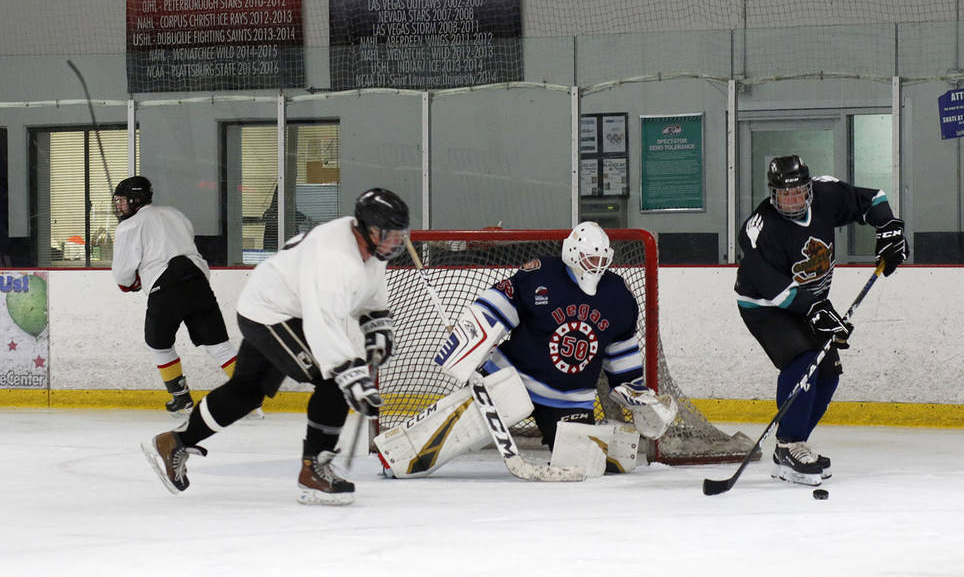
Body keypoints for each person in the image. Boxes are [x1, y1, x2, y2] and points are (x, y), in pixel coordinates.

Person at [140, 187, 410, 505]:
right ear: (366, 229)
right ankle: (314, 470)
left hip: (271, 302)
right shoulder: (334, 257)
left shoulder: (367, 249)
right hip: (273, 312)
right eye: (388, 234)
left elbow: (370, 298)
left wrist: (376, 327)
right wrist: (352, 375)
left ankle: (175, 442)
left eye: (398, 235)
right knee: (334, 380)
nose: (395, 242)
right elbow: (322, 325)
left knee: (247, 391)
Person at [377, 221, 676, 479]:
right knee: (459, 429)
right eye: (588, 258)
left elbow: (621, 352)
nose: (595, 266)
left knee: (584, 462)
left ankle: (612, 440)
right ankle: (396, 456)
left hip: (569, 398)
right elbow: (496, 303)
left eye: (600, 259)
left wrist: (634, 391)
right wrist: (470, 343)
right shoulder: (541, 275)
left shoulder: (618, 296)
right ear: (572, 252)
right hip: (511, 376)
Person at [734, 155, 909, 486]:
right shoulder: (760, 230)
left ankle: (793, 442)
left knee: (828, 373)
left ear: (808, 189)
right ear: (773, 195)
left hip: (810, 301)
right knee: (803, 359)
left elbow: (873, 199)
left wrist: (887, 226)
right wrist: (815, 310)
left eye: (799, 193)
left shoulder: (826, 195)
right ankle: (788, 446)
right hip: (765, 305)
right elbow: (772, 287)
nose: (793, 201)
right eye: (785, 196)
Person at [110, 176, 247, 416]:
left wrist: (129, 283)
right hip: (197, 281)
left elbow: (123, 273)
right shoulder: (174, 213)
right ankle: (249, 396)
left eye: (122, 201)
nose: (119, 206)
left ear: (136, 199)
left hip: (165, 287)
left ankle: (180, 397)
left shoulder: (129, 226)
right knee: (219, 346)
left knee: (159, 344)